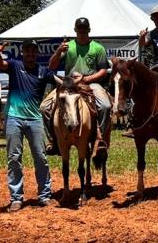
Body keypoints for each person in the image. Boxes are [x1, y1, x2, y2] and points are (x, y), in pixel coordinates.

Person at [0, 40, 55, 213]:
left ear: (37, 53)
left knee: (41, 157)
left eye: (33, 51)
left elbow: (60, 81)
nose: (30, 54)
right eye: (27, 50)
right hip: (14, 118)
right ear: (22, 53)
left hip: (35, 119)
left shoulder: (43, 71)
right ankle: (16, 198)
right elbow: (0, 64)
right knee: (14, 158)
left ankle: (44, 196)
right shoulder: (14, 66)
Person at [43, 17, 112, 154]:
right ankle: (53, 141)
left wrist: (86, 79)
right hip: (69, 83)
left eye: (84, 28)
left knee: (105, 106)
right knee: (44, 107)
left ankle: (100, 140)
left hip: (91, 83)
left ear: (89, 29)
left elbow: (103, 70)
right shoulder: (68, 46)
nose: (82, 30)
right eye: (79, 28)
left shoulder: (98, 48)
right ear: (75, 29)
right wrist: (58, 51)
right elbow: (51, 66)